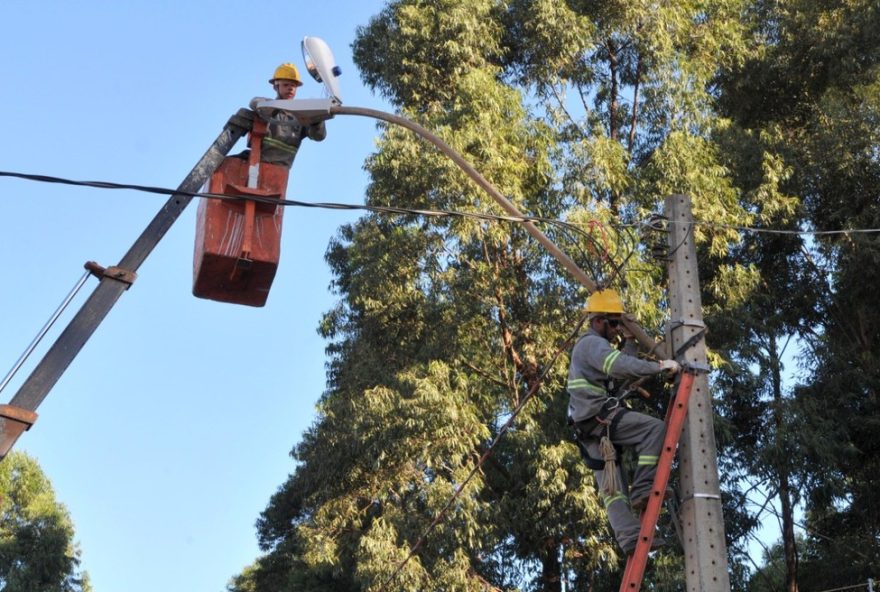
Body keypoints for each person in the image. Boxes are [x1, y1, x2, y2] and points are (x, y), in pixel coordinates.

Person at [567, 289, 680, 555]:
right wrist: (660, 366)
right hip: (597, 417)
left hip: (589, 426)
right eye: (614, 322)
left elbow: (620, 371)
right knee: (654, 430)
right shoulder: (591, 343)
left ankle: (630, 539)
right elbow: (619, 366)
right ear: (598, 321)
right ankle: (643, 488)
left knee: (613, 490)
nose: (617, 329)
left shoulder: (594, 347)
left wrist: (631, 340)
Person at [246, 62, 327, 168]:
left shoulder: (300, 116)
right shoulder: (266, 106)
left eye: (293, 86)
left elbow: (318, 136)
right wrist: (276, 107)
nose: (290, 88)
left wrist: (317, 118)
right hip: (256, 163)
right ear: (276, 87)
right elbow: (254, 102)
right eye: (286, 85)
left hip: (280, 170)